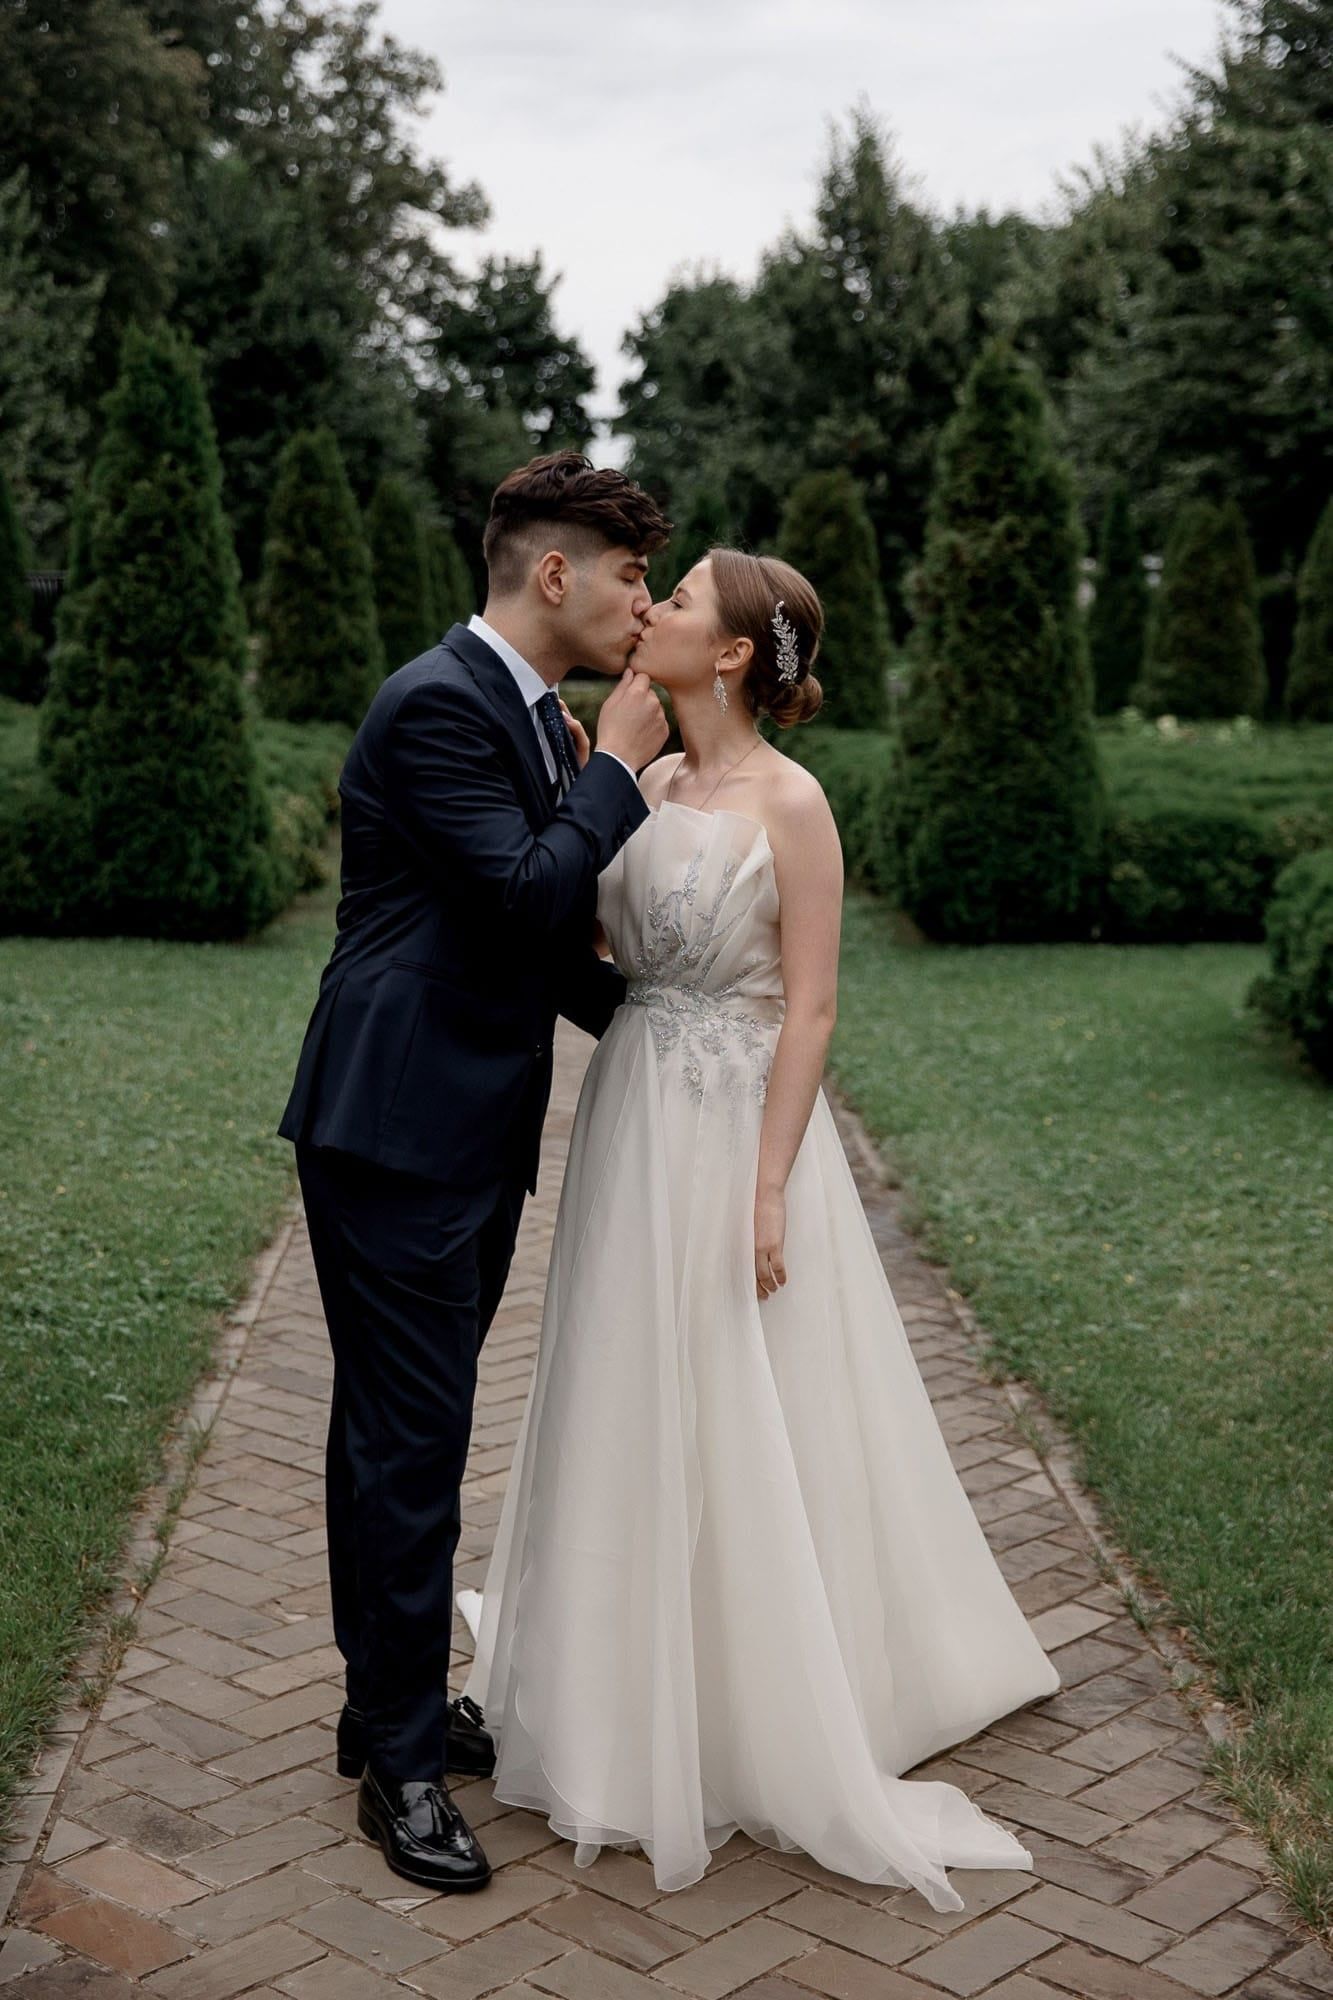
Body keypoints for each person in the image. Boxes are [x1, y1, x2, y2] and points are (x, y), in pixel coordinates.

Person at [461, 547, 1061, 1911]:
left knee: (740, 1388)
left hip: (736, 1131)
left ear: (731, 652)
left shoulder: (793, 804)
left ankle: (752, 1688)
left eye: (674, 601)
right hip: (630, 1116)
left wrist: (773, 1183)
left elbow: (812, 1008)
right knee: (625, 1379)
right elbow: (596, 943)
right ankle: (620, 1674)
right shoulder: (649, 782)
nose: (650, 611)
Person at [278, 452, 671, 1892]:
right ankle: (395, 1762)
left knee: (396, 1430)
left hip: (461, 1124)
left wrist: (681, 1035)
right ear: (552, 572)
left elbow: (531, 941)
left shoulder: (529, 714)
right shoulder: (439, 702)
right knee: (410, 1442)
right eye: (630, 576)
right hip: (393, 1125)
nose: (643, 605)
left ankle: (375, 1707)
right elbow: (519, 890)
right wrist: (620, 763)